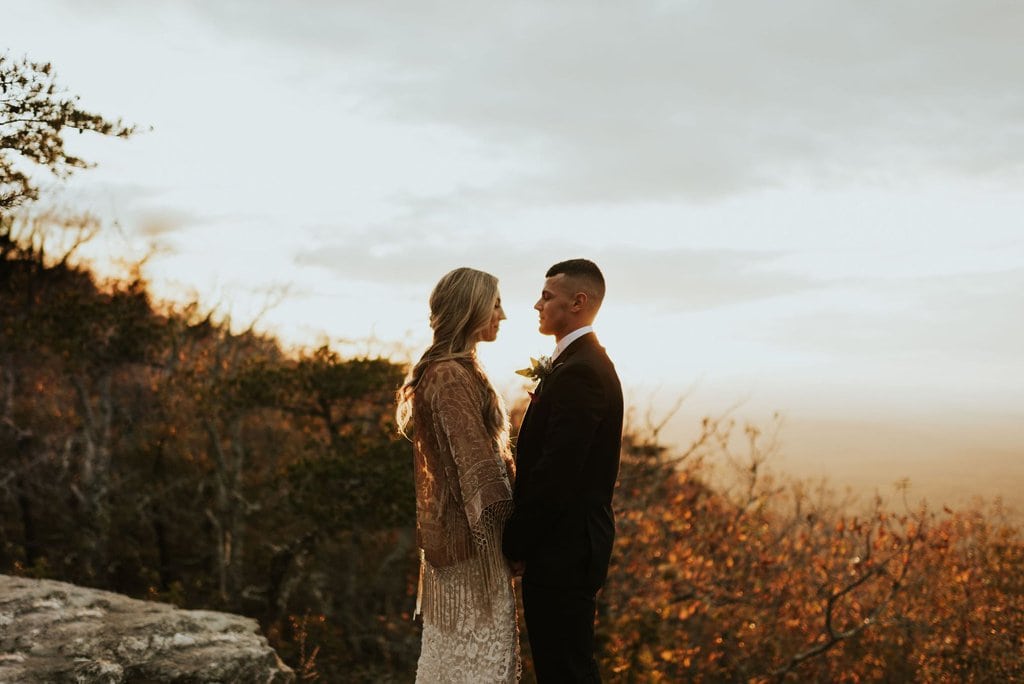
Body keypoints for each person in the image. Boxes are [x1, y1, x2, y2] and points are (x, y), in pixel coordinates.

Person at [396, 267, 521, 683]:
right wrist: (519, 535)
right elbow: (476, 466)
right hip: (472, 549)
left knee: (470, 663)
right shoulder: (449, 374)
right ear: (472, 309)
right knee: (480, 665)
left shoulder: (458, 368)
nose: (503, 315)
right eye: (496, 305)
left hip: (467, 547)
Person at [503, 258, 624, 682]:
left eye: (547, 296)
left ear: (578, 302)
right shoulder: (575, 363)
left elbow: (557, 471)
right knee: (563, 667)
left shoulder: (582, 372)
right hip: (563, 546)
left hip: (566, 549)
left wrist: (517, 541)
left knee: (566, 671)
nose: (537, 305)